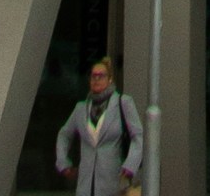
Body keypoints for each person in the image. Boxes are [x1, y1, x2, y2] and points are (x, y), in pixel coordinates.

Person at [59, 58, 146, 196]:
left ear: (110, 79)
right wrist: (63, 162)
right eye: (93, 76)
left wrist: (130, 165)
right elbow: (64, 134)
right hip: (85, 185)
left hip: (113, 182)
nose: (96, 79)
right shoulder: (81, 108)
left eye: (101, 76)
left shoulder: (123, 103)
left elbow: (138, 135)